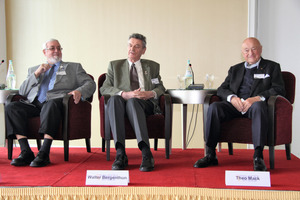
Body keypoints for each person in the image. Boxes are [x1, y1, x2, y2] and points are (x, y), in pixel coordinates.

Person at [194, 37, 285, 171]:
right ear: (242, 53)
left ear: (260, 49)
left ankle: (258, 156)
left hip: (255, 106)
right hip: (235, 106)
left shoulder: (272, 67)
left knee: (259, 107)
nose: (250, 53)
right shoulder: (235, 69)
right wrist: (232, 98)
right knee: (214, 107)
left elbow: (279, 89)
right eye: (246, 50)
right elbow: (222, 89)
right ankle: (210, 154)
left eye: (254, 49)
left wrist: (257, 98)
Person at [5, 39, 96, 167]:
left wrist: (78, 91)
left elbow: (90, 84)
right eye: (52, 48)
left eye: (59, 48)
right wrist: (37, 73)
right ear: (44, 52)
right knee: (11, 107)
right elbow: (23, 91)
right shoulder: (34, 70)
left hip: (57, 103)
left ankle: (44, 153)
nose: (56, 51)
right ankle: (25, 151)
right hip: (34, 104)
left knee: (50, 105)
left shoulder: (73, 67)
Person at [100, 33, 165, 172]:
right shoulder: (114, 65)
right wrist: (124, 94)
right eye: (130, 45)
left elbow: (160, 88)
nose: (132, 49)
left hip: (143, 103)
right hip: (121, 102)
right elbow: (104, 88)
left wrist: (150, 93)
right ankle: (120, 154)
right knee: (114, 100)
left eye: (137, 46)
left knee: (133, 103)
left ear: (143, 50)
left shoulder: (152, 67)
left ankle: (146, 152)